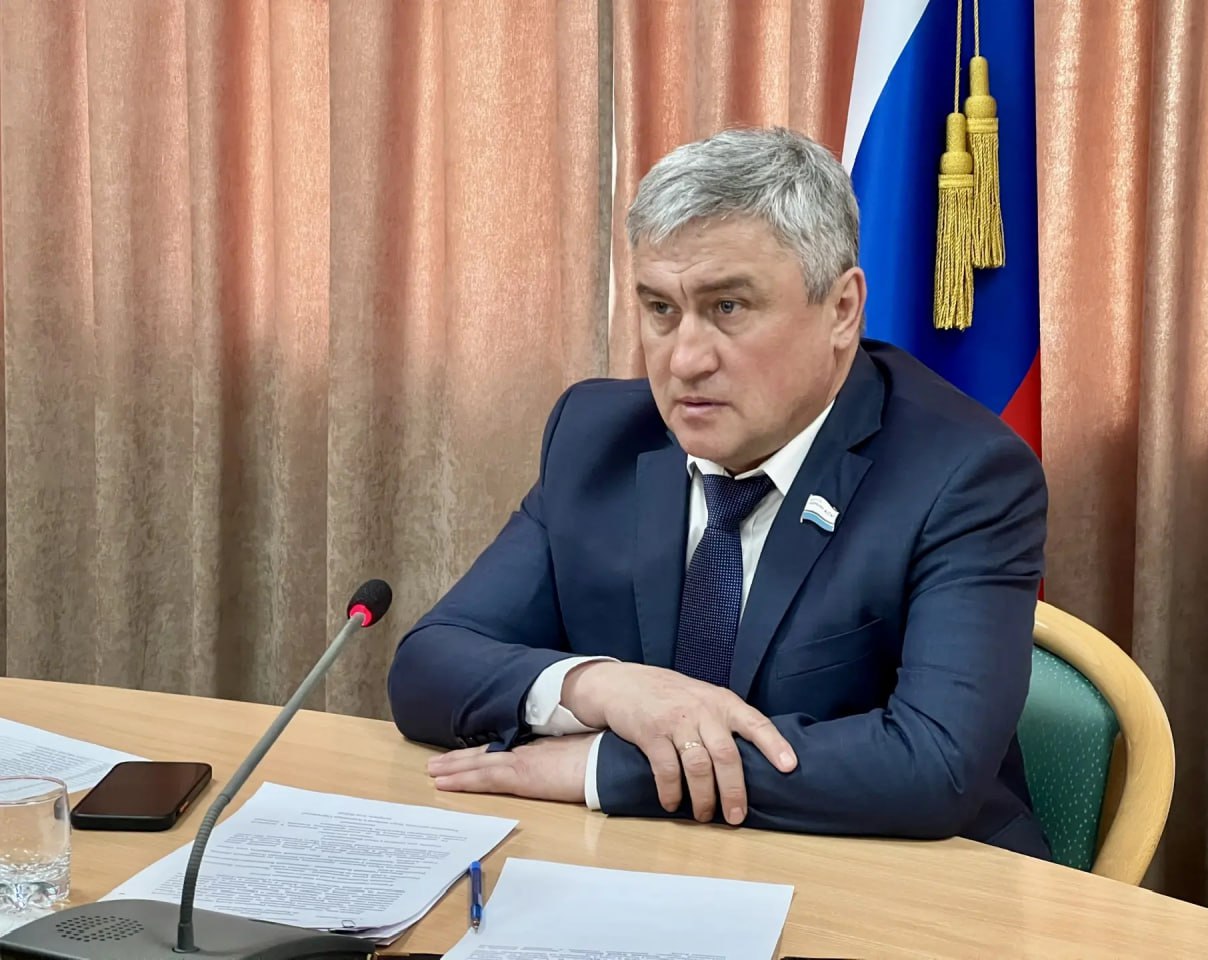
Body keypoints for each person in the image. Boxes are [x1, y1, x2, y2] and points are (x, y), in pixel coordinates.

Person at [387, 126, 1050, 859]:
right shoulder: (596, 437)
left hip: (906, 880)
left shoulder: (964, 474)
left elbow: (934, 764)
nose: (685, 360)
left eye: (728, 308)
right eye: (660, 310)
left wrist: (611, 767)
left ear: (841, 310)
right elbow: (429, 666)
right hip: (649, 872)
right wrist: (603, 688)